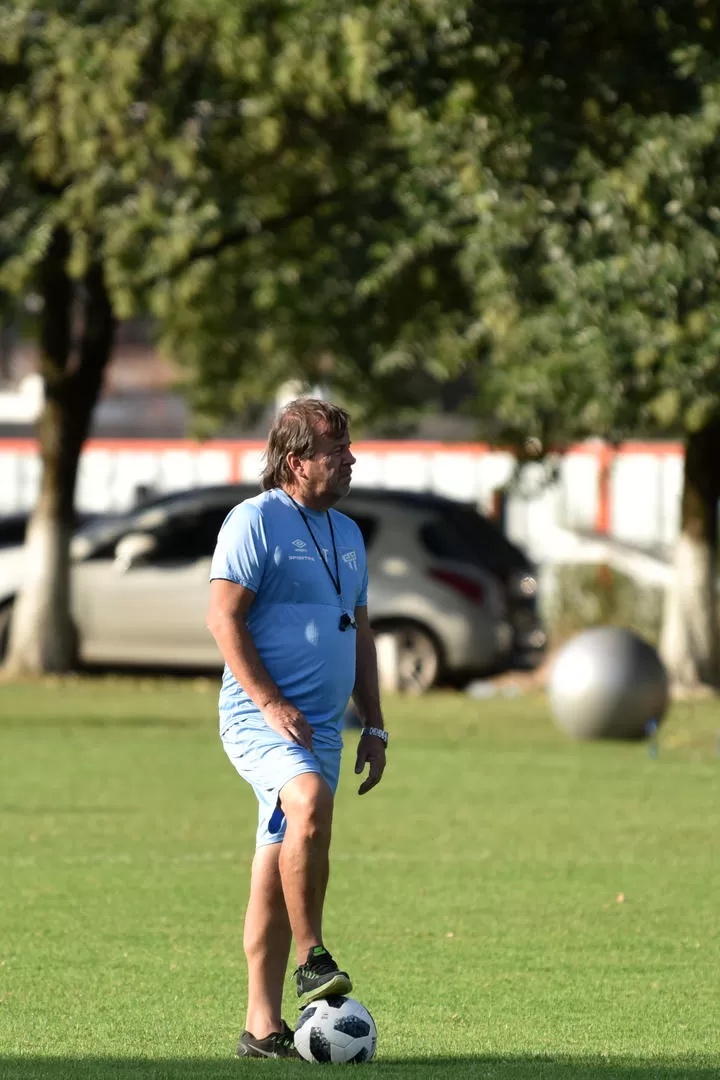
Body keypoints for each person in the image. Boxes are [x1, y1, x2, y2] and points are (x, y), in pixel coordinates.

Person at [206, 398, 388, 1060]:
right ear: (294, 461)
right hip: (262, 719)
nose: (350, 461)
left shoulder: (348, 532)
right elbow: (223, 618)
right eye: (336, 452)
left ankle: (261, 1026)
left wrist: (376, 725)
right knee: (307, 803)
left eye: (349, 450)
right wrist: (271, 702)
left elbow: (360, 632)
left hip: (324, 732)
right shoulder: (254, 521)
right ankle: (314, 959)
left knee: (275, 861)